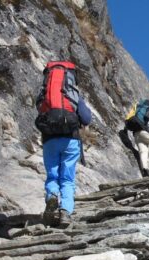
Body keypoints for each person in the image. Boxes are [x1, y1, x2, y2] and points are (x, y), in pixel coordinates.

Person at [34, 61, 92, 226]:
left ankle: (52, 196)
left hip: (49, 139)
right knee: (67, 178)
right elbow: (87, 118)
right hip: (71, 140)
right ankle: (65, 211)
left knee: (52, 175)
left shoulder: (44, 93)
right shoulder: (73, 94)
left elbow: (40, 112)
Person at [125, 99, 149, 177]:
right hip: (144, 132)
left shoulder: (137, 109)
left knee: (143, 152)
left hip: (136, 134)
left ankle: (145, 170)